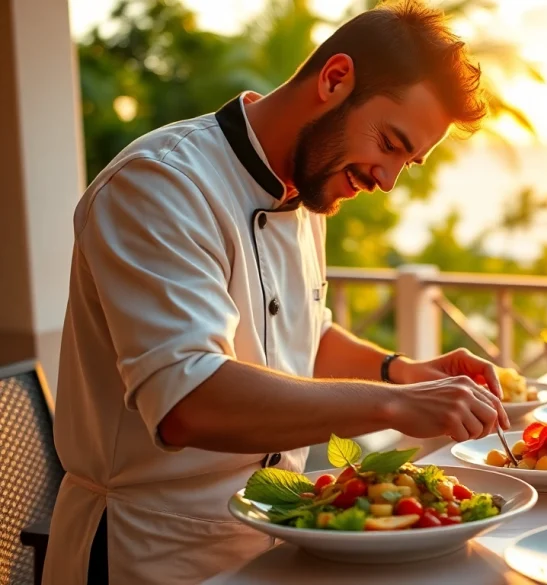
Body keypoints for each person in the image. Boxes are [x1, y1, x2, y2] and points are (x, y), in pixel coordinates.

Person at [43, 2, 511, 583]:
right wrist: (393, 406)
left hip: (276, 533)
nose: (388, 181)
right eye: (391, 144)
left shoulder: (308, 185)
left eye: (407, 163)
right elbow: (189, 402)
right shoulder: (161, 184)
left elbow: (299, 337)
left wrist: (401, 371)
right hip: (151, 548)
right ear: (335, 80)